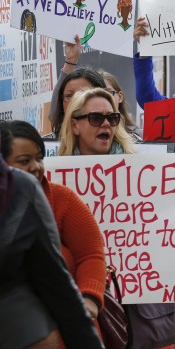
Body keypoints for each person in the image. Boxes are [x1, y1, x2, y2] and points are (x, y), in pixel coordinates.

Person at [57, 87, 175, 346]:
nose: (105, 124)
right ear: (75, 125)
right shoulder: (57, 181)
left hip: (146, 313)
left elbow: (165, 237)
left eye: (112, 118)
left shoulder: (147, 173)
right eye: (95, 118)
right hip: (90, 304)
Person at [0, 120, 106, 340]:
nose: (35, 167)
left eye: (39, 158)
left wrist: (90, 299)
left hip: (68, 329)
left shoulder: (63, 199)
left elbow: (91, 254)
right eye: (24, 161)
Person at [48, 64, 107, 138]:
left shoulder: (111, 143)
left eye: (83, 94)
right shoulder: (51, 146)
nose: (74, 101)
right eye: (69, 96)